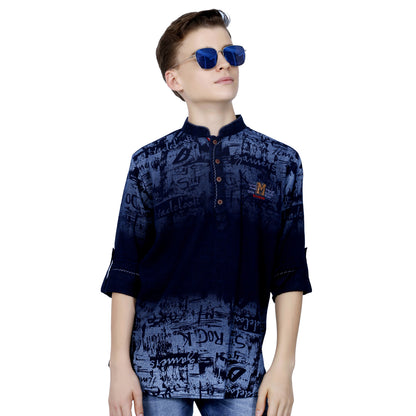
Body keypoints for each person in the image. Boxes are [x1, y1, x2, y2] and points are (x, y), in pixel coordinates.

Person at [100, 9, 312, 416]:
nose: (223, 64)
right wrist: (119, 368)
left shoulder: (280, 162)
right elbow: (126, 270)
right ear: (174, 80)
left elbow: (289, 273)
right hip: (154, 372)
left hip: (241, 372)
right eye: (206, 57)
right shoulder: (149, 164)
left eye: (231, 53)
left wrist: (283, 367)